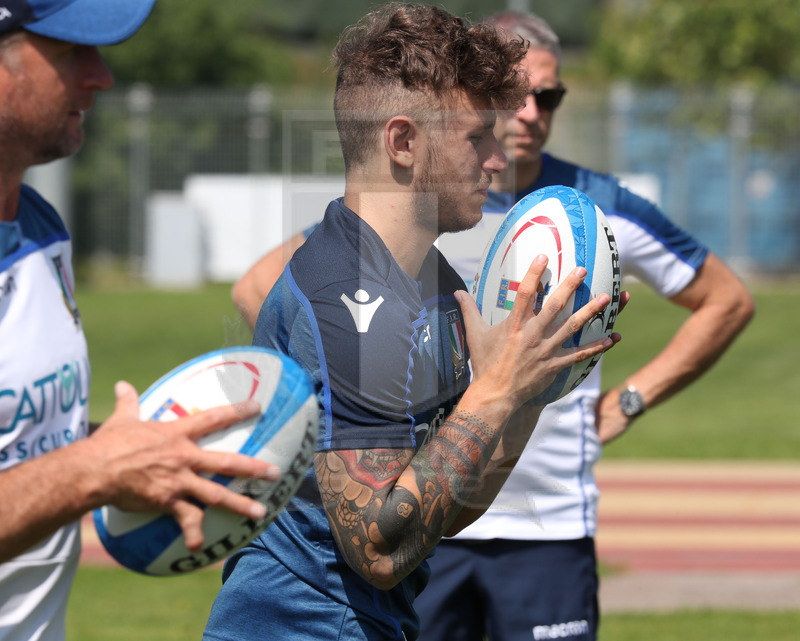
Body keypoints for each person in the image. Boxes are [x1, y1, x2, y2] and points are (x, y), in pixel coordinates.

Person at [230, 9, 755, 641]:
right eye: (477, 135)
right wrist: (498, 389)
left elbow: (444, 513)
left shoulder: (430, 281)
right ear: (403, 142)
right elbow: (380, 547)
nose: (494, 157)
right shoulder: (351, 299)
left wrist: (532, 387)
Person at [0, 3, 281, 640]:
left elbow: (23, 446)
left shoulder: (38, 226)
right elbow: (78, 468)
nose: (101, 76)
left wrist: (153, 454)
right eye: (72, 51)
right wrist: (96, 469)